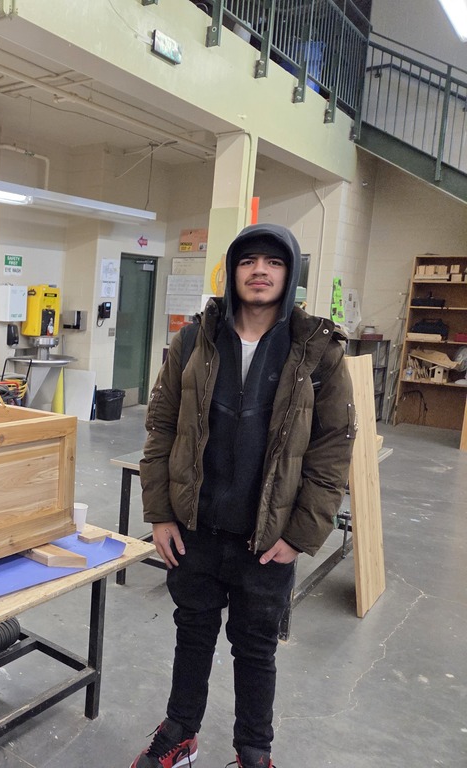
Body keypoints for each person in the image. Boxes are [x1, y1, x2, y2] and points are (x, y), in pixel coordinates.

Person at [130, 223, 356, 768]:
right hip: (197, 529)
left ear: (289, 274)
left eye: (273, 263)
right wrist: (160, 513)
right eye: (249, 260)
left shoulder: (318, 351)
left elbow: (332, 450)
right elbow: (161, 427)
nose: (260, 271)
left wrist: (301, 535)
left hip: (267, 537)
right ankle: (182, 732)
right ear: (233, 272)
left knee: (255, 650)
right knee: (193, 635)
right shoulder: (193, 340)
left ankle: (254, 752)